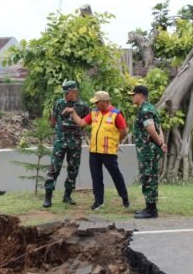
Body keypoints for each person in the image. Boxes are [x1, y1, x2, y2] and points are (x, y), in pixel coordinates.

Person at [64, 90, 130, 210]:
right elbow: (82, 123)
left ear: (104, 102)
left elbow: (124, 130)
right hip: (94, 152)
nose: (95, 105)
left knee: (116, 176)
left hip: (108, 152)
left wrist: (116, 141)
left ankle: (125, 199)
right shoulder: (94, 113)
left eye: (97, 102)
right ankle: (98, 202)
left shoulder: (116, 114)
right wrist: (73, 112)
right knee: (96, 177)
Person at [43, 80, 90, 208]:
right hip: (60, 141)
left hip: (75, 142)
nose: (65, 95)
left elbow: (86, 122)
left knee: (73, 169)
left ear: (74, 92)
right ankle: (48, 197)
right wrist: (58, 129)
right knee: (54, 168)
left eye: (67, 92)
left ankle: (67, 195)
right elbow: (52, 121)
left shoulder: (83, 106)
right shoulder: (59, 103)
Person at [130, 85, 167, 219]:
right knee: (150, 177)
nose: (132, 97)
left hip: (148, 150)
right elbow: (159, 127)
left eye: (134, 94)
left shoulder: (145, 110)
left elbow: (151, 129)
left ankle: (151, 209)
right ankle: (149, 207)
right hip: (149, 149)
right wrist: (161, 142)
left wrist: (160, 142)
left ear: (140, 95)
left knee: (148, 177)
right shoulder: (151, 108)